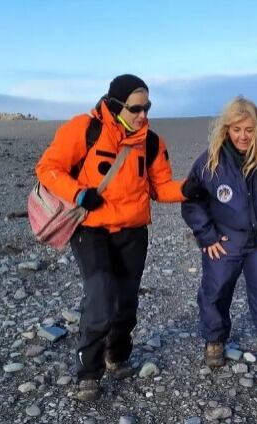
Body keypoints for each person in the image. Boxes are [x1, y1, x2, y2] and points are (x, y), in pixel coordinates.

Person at [35, 74, 205, 401]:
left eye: (147, 107)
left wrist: (186, 189)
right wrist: (79, 193)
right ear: (115, 106)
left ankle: (117, 355)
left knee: (126, 302)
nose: (143, 115)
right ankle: (88, 373)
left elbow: (159, 187)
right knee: (100, 297)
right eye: (135, 108)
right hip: (91, 229)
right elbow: (48, 168)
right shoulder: (83, 129)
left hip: (133, 231)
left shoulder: (151, 142)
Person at [181, 96, 257, 393]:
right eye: (236, 129)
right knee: (214, 293)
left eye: (249, 129)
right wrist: (207, 235)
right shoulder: (210, 160)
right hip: (225, 242)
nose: (242, 136)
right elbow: (192, 200)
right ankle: (214, 340)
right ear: (226, 129)